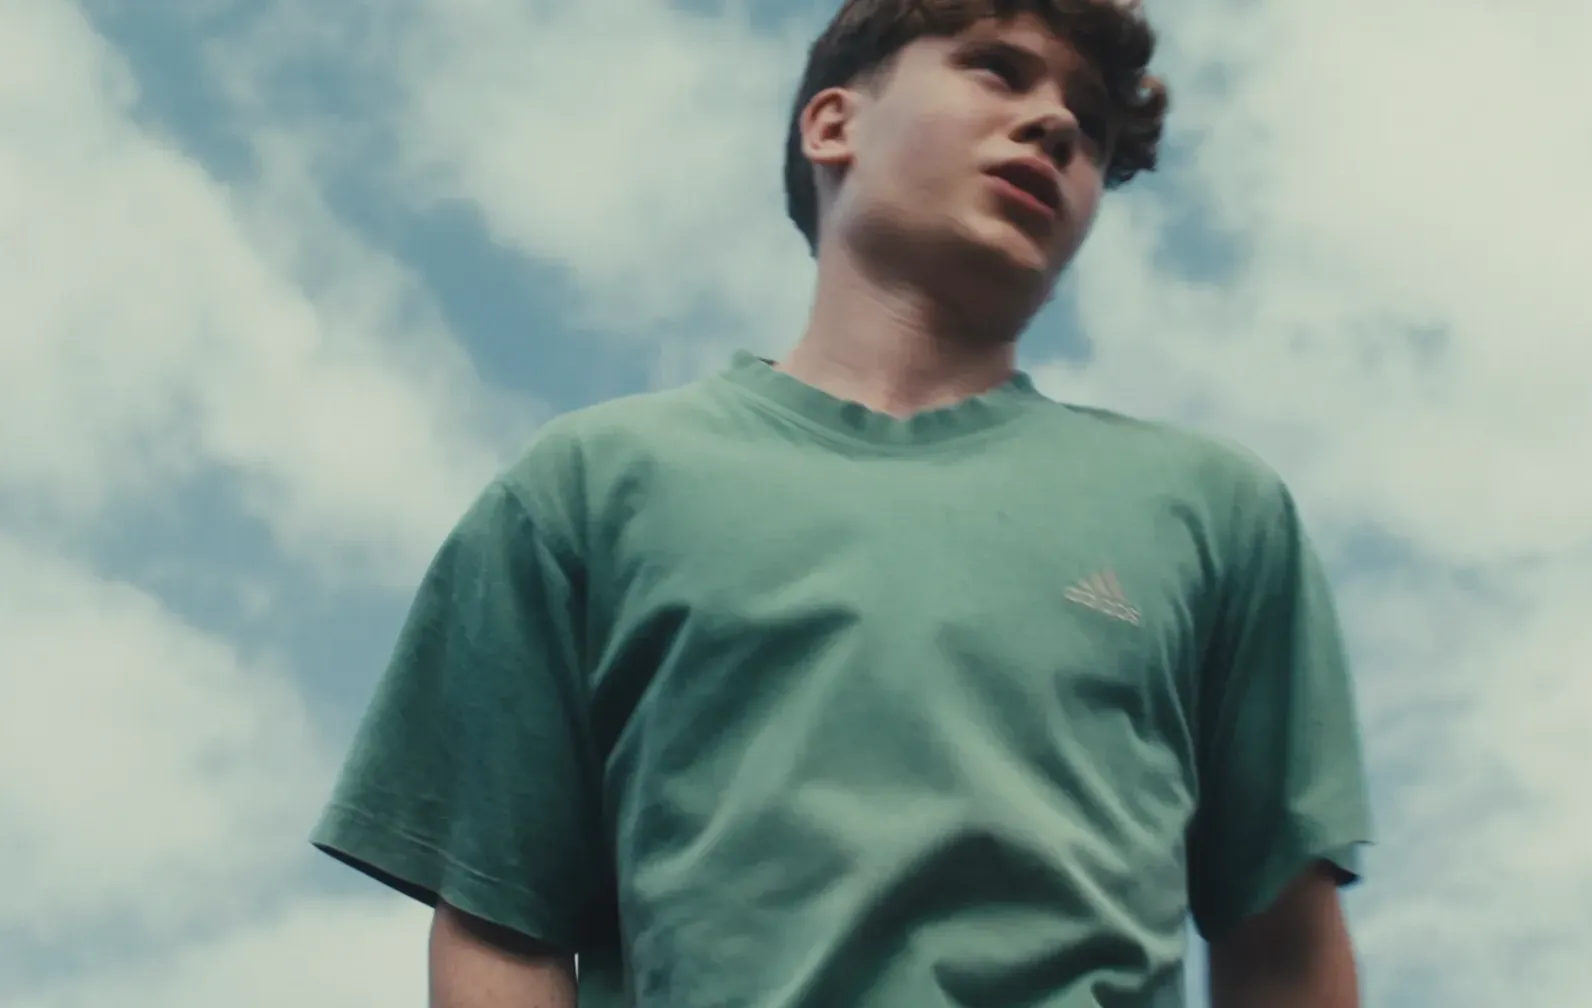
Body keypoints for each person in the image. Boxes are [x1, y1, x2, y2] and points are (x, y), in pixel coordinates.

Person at [311, 1, 1375, 1005]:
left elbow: (1281, 944)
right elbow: (503, 923)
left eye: (1089, 127)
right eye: (996, 70)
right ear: (832, 124)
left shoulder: (1210, 512)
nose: (1054, 123)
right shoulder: (589, 487)